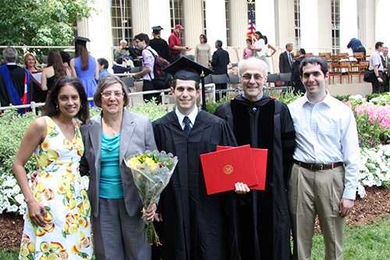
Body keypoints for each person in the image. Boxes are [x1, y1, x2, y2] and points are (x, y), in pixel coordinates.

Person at [152, 56, 237, 260]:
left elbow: (231, 165)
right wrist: (156, 203)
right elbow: (153, 173)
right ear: (172, 91)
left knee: (209, 249)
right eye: (180, 89)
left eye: (190, 89)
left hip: (209, 207)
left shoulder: (217, 125)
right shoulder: (160, 127)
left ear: (198, 92)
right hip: (174, 207)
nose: (185, 94)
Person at [215, 57, 296, 260]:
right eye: (247, 76)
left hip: (272, 192)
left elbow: (288, 154)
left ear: (265, 79)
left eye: (257, 76)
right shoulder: (225, 112)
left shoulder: (279, 110)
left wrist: (278, 182)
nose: (252, 81)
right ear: (238, 79)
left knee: (272, 241)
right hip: (236, 195)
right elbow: (219, 156)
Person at [287, 56, 360, 260]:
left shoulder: (341, 112)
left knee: (333, 239)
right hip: (300, 175)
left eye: (316, 74)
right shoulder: (292, 110)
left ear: (326, 76)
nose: (311, 79)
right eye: (306, 75)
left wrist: (349, 193)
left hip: (332, 176)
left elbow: (352, 155)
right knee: (300, 238)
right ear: (301, 79)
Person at [12, 76, 92, 259]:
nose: (70, 102)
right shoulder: (42, 125)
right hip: (47, 202)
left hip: (76, 202)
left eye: (74, 97)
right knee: (50, 251)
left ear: (81, 99)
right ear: (55, 99)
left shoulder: (79, 126)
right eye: (64, 98)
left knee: (74, 251)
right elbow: (17, 164)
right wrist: (30, 201)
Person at [80, 74, 157, 260]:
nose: (112, 98)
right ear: (99, 98)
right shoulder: (88, 127)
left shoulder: (142, 124)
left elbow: (155, 168)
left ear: (124, 97)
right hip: (102, 202)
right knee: (108, 254)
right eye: (107, 94)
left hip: (135, 202)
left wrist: (153, 200)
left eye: (117, 93)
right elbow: (82, 165)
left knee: (139, 255)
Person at [0, 47, 33, 114]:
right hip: (23, 106)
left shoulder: (1, 71)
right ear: (16, 57)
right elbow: (30, 91)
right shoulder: (25, 72)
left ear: (4, 58)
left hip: (5, 110)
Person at [70, 36, 99, 105]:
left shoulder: (73, 61)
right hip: (93, 86)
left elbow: (74, 78)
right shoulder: (94, 60)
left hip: (81, 86)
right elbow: (97, 77)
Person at [133, 33, 160, 103]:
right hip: (156, 80)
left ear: (143, 42)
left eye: (137, 42)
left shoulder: (145, 52)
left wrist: (138, 75)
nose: (136, 44)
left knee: (148, 103)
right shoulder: (152, 51)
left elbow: (148, 68)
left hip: (149, 81)